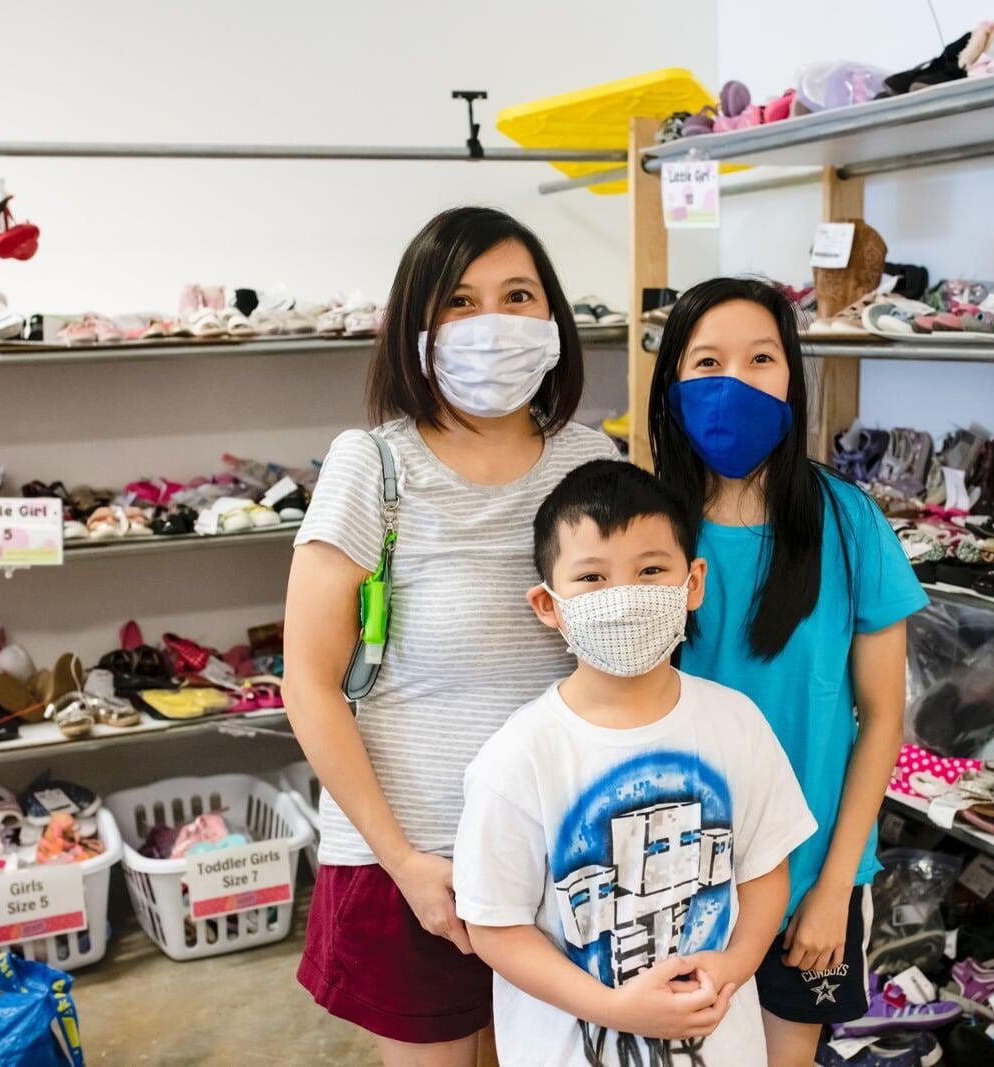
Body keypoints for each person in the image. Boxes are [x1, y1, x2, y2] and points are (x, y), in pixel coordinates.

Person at [283, 206, 617, 1067]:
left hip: (556, 854)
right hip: (413, 858)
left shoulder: (595, 466)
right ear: (417, 327)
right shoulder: (374, 466)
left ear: (552, 321)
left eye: (517, 295)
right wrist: (403, 861)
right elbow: (310, 683)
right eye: (460, 303)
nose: (493, 322)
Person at [647, 277, 928, 1065]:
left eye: (761, 358)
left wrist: (836, 886)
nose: (733, 382)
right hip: (670, 881)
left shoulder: (850, 523)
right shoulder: (644, 529)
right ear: (670, 383)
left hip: (811, 879)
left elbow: (881, 716)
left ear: (792, 378)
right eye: (707, 361)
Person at [454, 459, 816, 1067]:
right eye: (592, 578)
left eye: (651, 570)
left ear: (692, 583)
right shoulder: (518, 758)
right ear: (549, 604)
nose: (624, 598)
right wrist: (616, 1009)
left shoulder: (738, 724)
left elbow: (763, 868)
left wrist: (736, 964)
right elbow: (495, 927)